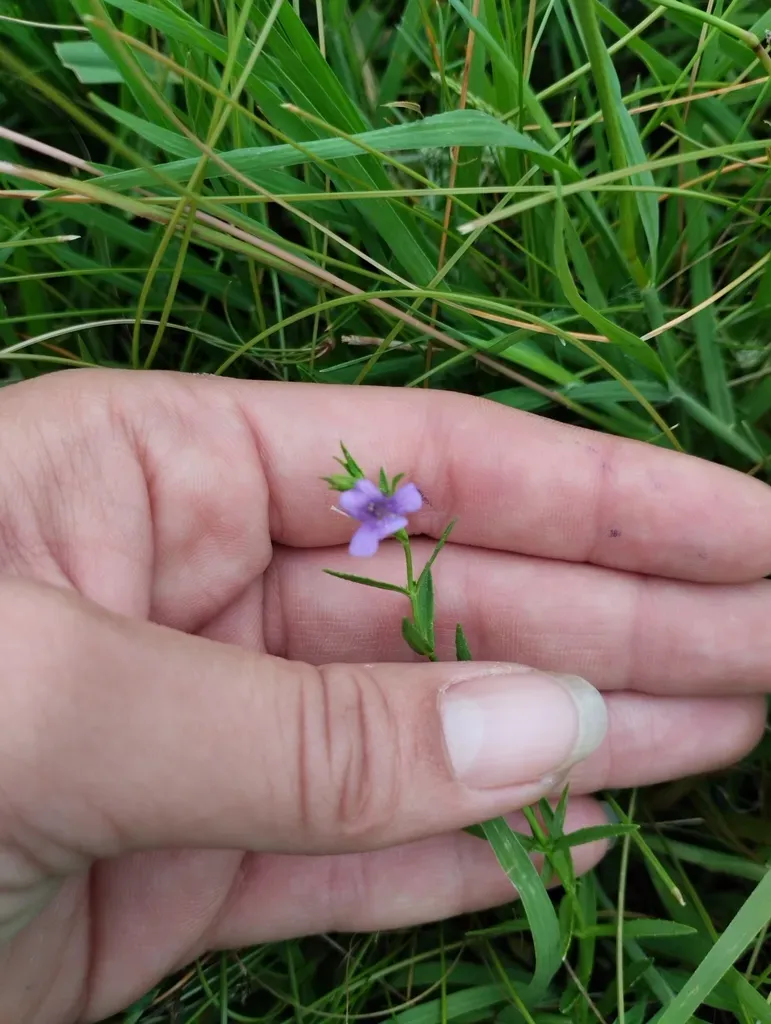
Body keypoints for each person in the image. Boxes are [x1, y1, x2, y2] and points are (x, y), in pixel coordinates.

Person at [0, 369, 767, 1023]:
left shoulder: (390, 522)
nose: (374, 514)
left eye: (378, 508)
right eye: (368, 509)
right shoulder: (376, 529)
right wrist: (350, 752)